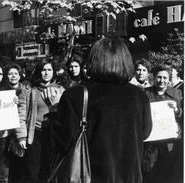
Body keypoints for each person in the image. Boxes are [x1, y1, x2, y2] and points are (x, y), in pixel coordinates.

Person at [49, 36, 152, 183]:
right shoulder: (139, 95)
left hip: (89, 176)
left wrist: (53, 108)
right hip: (129, 176)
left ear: (93, 60)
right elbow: (145, 132)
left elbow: (61, 141)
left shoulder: (75, 95)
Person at [10, 58, 64, 183]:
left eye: (49, 70)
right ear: (39, 72)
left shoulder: (61, 90)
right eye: (43, 70)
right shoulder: (29, 91)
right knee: (32, 172)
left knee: (49, 170)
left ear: (53, 72)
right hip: (35, 135)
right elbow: (21, 115)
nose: (46, 73)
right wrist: (22, 137)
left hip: (52, 135)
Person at [143, 64, 183, 183]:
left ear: (169, 79)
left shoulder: (177, 93)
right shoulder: (145, 93)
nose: (162, 81)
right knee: (149, 173)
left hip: (169, 142)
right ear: (154, 78)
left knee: (167, 173)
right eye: (159, 77)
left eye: (165, 78)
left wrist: (177, 110)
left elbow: (182, 115)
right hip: (151, 143)